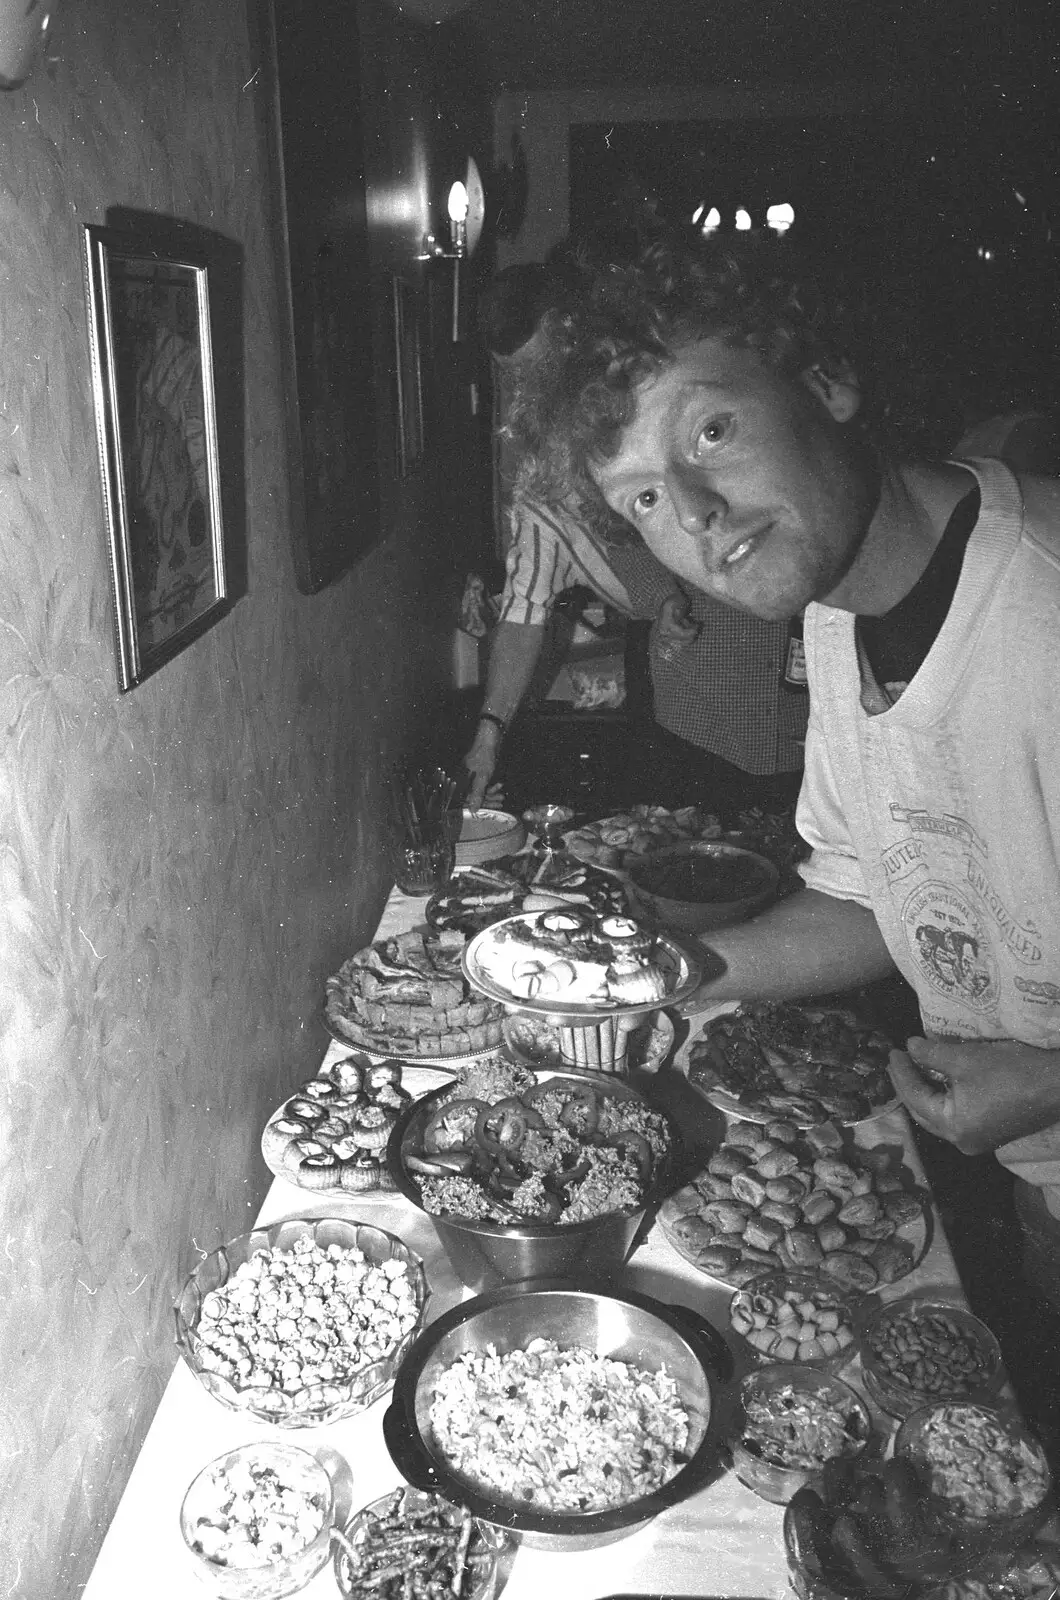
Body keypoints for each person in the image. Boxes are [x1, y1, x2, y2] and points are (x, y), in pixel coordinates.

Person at [506, 227, 1060, 1304]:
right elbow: (864, 899)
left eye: (709, 431)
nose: (697, 517)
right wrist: (645, 976)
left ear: (826, 378)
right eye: (644, 501)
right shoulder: (839, 619)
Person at [463, 261, 808, 810]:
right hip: (692, 717)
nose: (540, 395)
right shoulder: (548, 494)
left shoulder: (682, 400)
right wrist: (487, 736)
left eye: (550, 369)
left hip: (796, 692)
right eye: (520, 381)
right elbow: (522, 617)